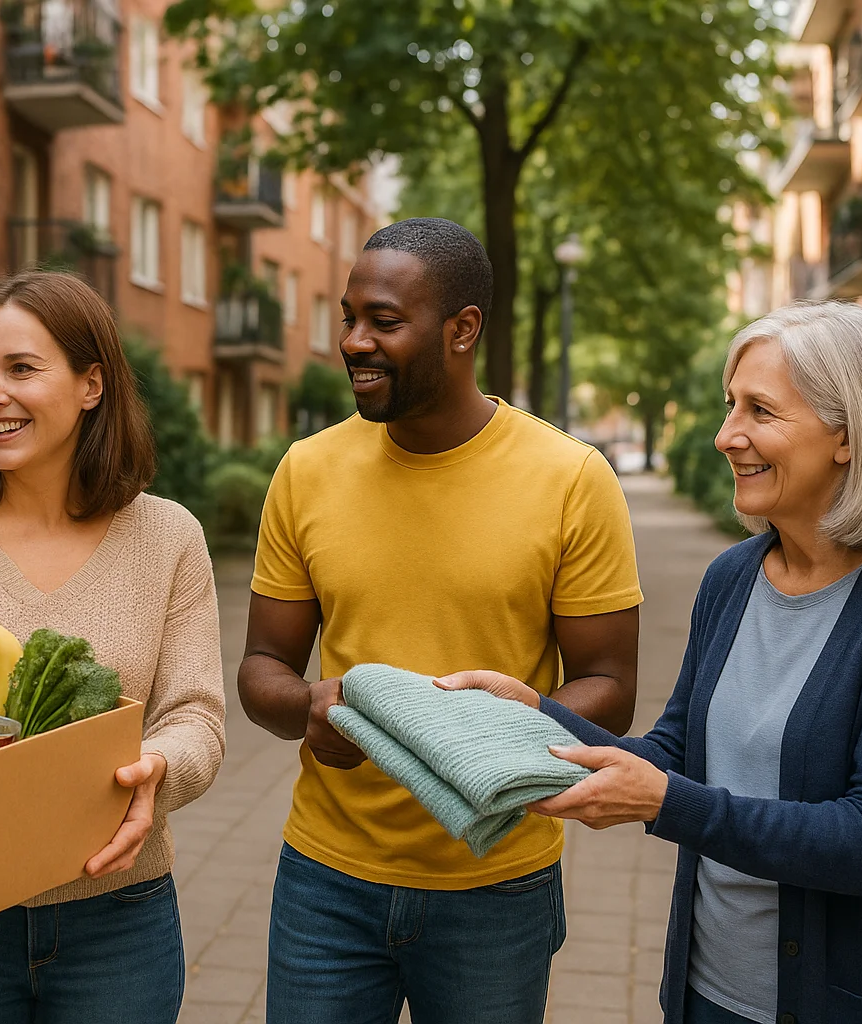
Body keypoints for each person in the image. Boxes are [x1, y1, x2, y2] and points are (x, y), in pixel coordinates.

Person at [439, 301, 862, 1024]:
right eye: (731, 406)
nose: (727, 435)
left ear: (849, 436)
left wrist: (668, 804)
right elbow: (677, 753)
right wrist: (534, 715)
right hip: (707, 993)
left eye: (760, 410)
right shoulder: (733, 578)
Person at [240, 218, 643, 1024]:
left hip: (497, 884)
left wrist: (501, 733)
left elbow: (611, 687)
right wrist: (305, 707)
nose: (354, 342)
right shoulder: (306, 471)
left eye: (384, 321)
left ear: (463, 330)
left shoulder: (571, 478)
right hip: (327, 881)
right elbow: (261, 668)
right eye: (349, 317)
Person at [0, 271, 226, 1024]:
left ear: (92, 384)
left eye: (20, 369)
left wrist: (155, 769)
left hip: (118, 914)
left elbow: (197, 716)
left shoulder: (168, 538)